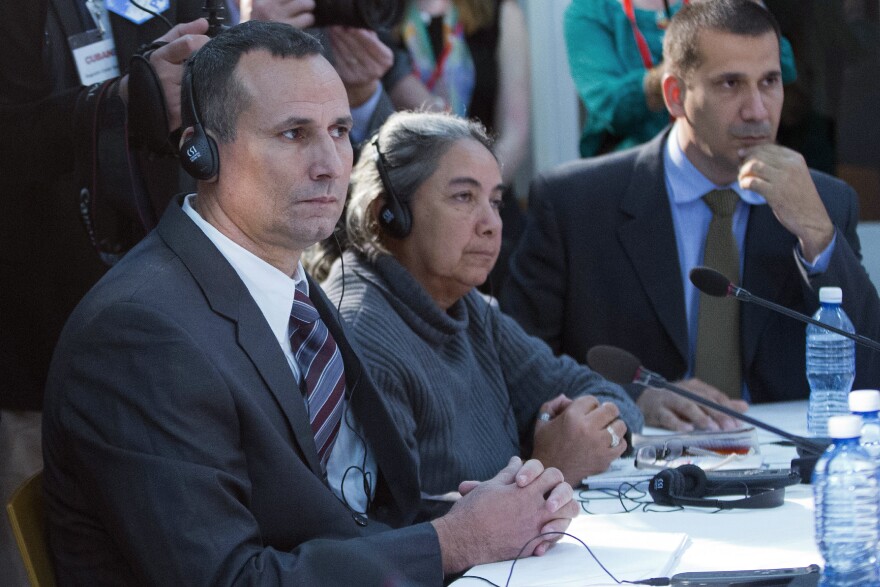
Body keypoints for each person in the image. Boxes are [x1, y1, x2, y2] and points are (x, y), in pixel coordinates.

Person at [42, 21, 578, 584]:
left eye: (340, 129)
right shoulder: (141, 335)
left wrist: (491, 512)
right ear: (202, 153)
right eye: (294, 134)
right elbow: (228, 578)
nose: (330, 163)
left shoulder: (290, 287)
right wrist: (453, 541)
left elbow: (346, 517)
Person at [502, 0, 880, 431]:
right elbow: (517, 370)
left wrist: (818, 234)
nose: (757, 109)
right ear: (675, 95)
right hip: (634, 478)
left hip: (785, 471)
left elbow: (869, 370)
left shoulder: (823, 202)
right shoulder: (575, 204)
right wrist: (631, 400)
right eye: (730, 84)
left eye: (769, 81)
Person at [319, 111, 643, 509]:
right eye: (464, 197)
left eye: (495, 201)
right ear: (388, 214)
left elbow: (609, 396)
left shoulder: (468, 309)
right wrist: (547, 470)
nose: (491, 224)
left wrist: (591, 429)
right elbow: (393, 531)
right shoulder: (361, 332)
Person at [384, 0, 530, 290]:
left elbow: (516, 133)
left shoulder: (501, 13)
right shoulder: (379, 15)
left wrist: (475, 194)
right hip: (407, 206)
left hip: (491, 200)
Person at [564, 0, 796, 158]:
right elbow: (611, 107)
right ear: (674, 93)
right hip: (634, 167)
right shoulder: (589, 10)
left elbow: (782, 64)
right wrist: (691, 66)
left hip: (728, 156)